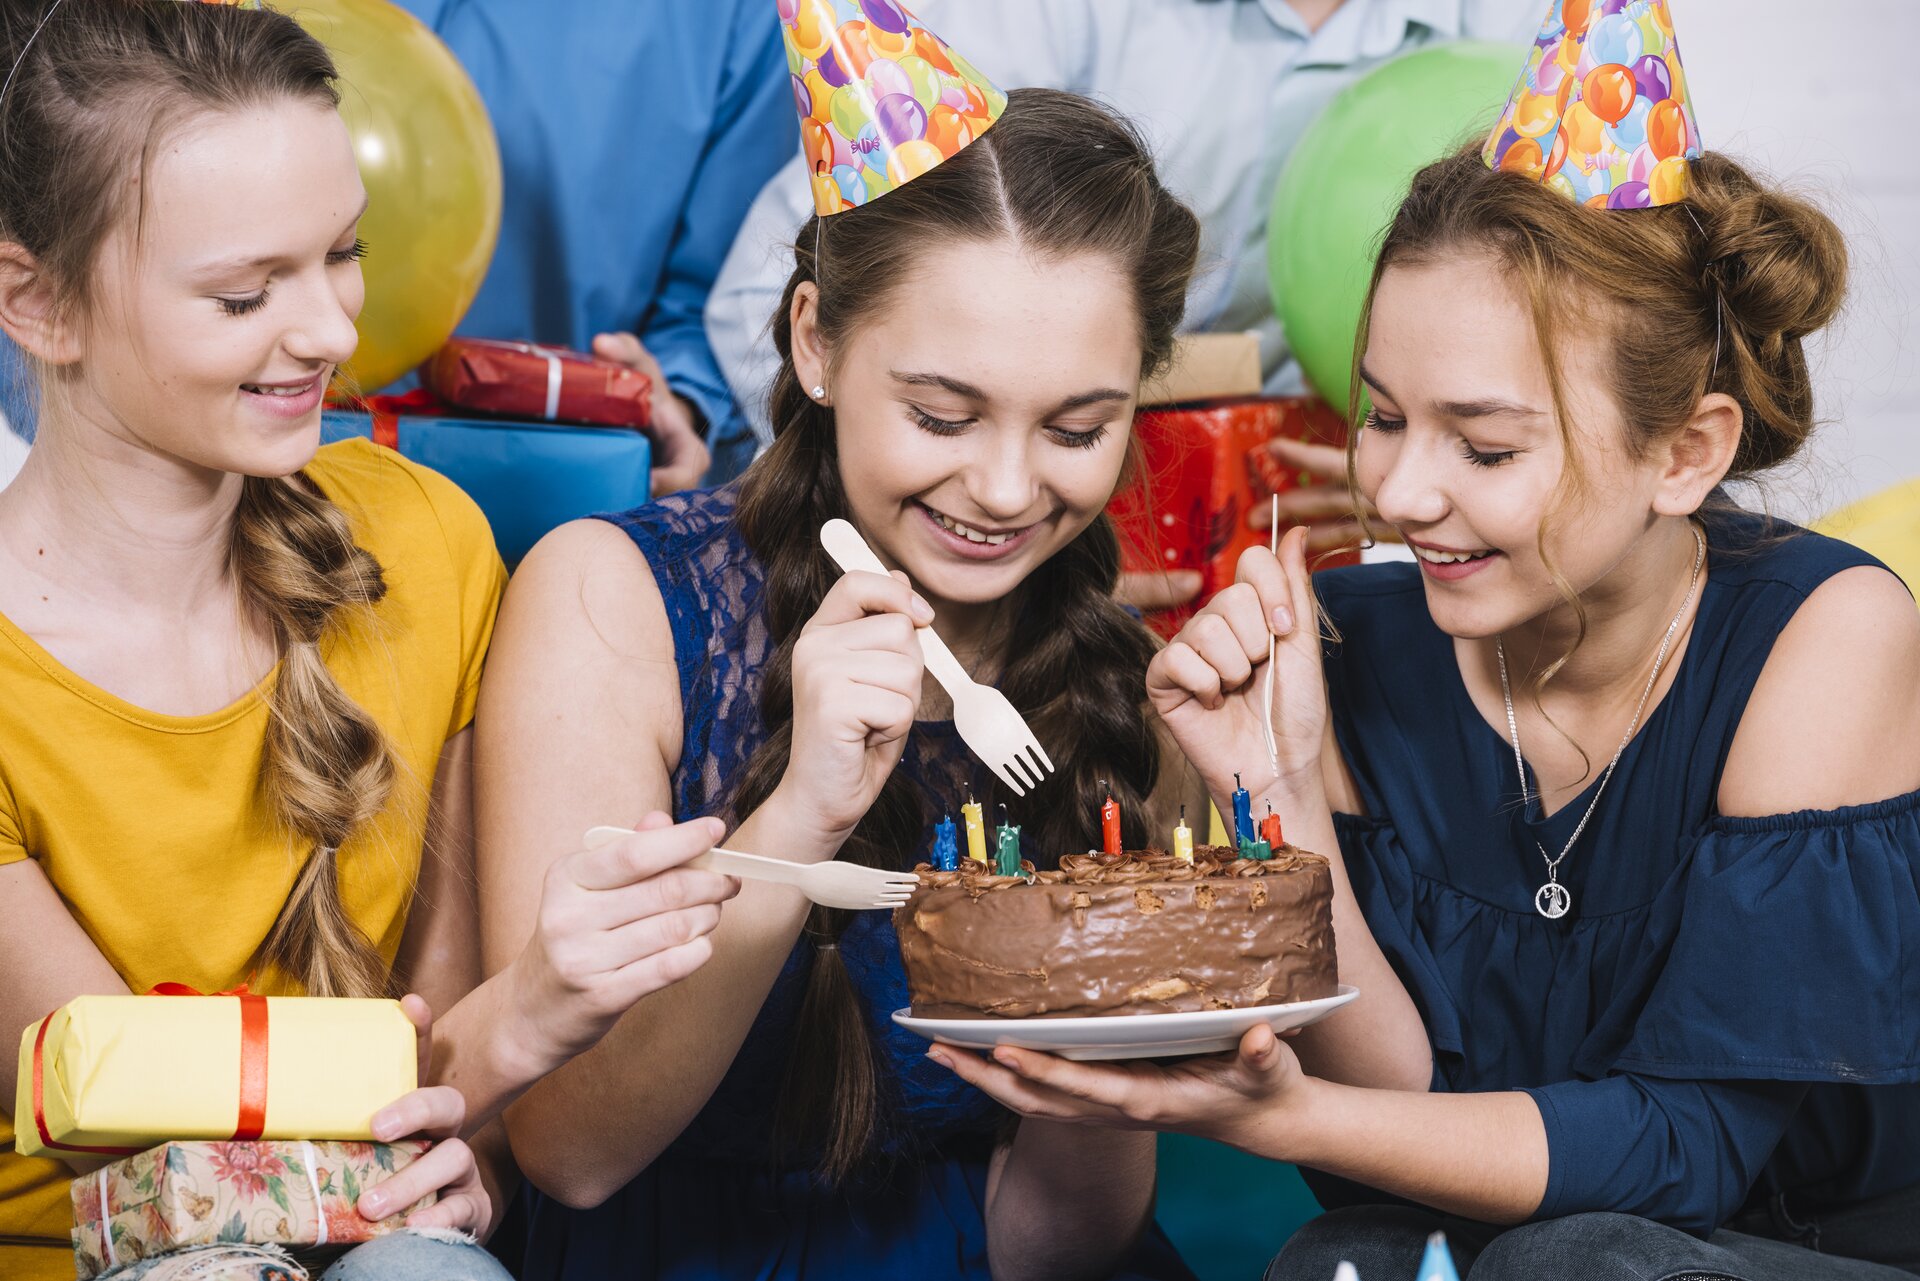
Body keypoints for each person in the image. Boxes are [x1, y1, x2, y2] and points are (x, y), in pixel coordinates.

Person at [930, 23, 1920, 1281]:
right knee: (1347, 1254)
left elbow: (1695, 1146)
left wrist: (1278, 1114)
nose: (1399, 491)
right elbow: (1405, 1120)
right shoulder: (1360, 642)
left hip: (1791, 1248)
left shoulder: (1823, 638)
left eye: (1487, 448)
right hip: (1525, 1245)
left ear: (1686, 453)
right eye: (1384, 418)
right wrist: (1280, 794)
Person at [0, 4, 738, 1278]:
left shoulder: (429, 543)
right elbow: (134, 1105)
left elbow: (445, 1065)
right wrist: (522, 1024)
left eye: (341, 253)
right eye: (244, 293)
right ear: (39, 302)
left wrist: (479, 1165)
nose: (336, 333)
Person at [475, 34, 1214, 1270]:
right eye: (942, 414)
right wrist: (798, 820)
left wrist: (1109, 1055)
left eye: (1079, 427)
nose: (1006, 485)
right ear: (814, 343)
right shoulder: (615, 603)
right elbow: (570, 1149)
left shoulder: (1115, 681)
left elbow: (1060, 1245)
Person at [389, 0, 797, 493]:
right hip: (312, 436)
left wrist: (679, 407)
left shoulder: (739, 17)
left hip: (574, 471)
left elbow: (714, 298)